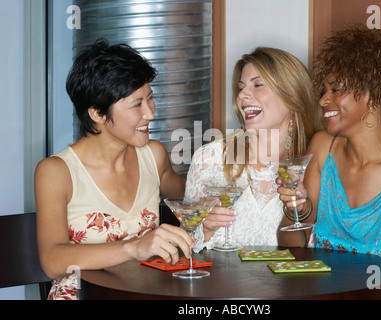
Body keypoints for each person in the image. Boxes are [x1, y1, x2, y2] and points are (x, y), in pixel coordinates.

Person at [277, 25, 381, 300]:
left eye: (336, 89)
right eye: (323, 90)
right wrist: (301, 210)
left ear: (373, 95)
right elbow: (290, 246)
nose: (323, 100)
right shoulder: (322, 146)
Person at [34, 39, 193, 300]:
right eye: (136, 104)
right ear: (97, 113)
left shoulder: (153, 155)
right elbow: (52, 260)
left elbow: (192, 198)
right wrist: (133, 248)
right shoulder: (56, 172)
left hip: (144, 292)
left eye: (150, 98)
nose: (150, 114)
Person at [185, 47, 324, 252]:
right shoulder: (210, 159)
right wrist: (206, 229)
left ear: (292, 96)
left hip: (295, 284)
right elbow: (183, 247)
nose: (242, 95)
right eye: (241, 88)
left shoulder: (316, 163)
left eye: (258, 85)